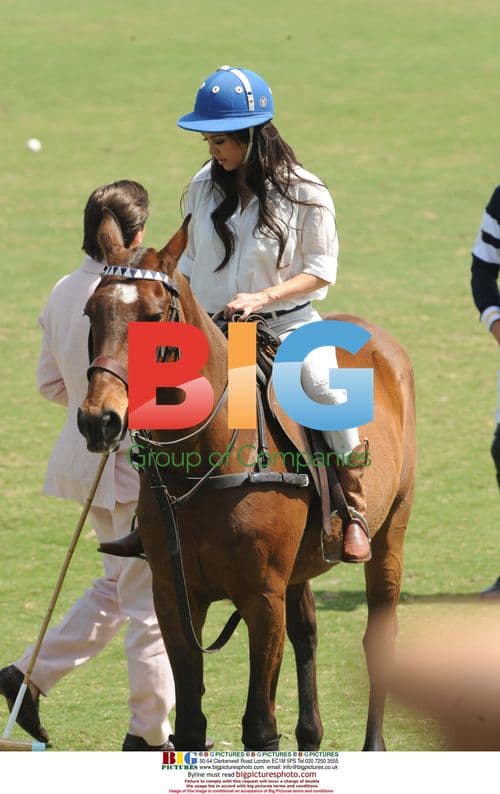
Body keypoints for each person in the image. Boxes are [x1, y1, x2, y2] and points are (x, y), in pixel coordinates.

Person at [0, 180, 177, 751]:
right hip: (133, 469)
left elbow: (51, 384)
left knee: (116, 587)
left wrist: (88, 394)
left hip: (84, 461)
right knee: (150, 607)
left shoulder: (60, 289)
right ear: (138, 235)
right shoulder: (141, 293)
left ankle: (27, 676)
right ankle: (150, 736)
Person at [176, 65, 371, 563]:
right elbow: (191, 260)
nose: (213, 150)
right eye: (208, 140)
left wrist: (262, 299)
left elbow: (321, 272)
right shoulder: (203, 186)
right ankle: (156, 514)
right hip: (218, 330)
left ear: (252, 136)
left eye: (221, 140)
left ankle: (352, 510)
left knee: (328, 392)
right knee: (159, 395)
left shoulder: (305, 191)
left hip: (286, 325)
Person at [470, 185, 500, 598]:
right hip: (238, 328)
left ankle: (351, 512)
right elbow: (482, 269)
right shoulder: (209, 189)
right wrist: (495, 321)